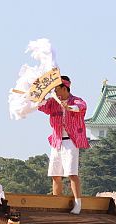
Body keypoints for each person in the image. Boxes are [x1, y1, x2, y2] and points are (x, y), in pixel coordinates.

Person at [38, 75, 89, 213]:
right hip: (56, 141)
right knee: (55, 175)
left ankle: (78, 204)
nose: (55, 91)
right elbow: (41, 106)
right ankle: (56, 203)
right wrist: (40, 98)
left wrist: (69, 107)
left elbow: (81, 107)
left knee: (72, 174)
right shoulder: (53, 102)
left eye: (56, 88)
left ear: (64, 88)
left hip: (70, 142)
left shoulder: (76, 100)